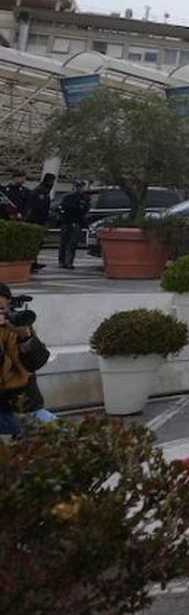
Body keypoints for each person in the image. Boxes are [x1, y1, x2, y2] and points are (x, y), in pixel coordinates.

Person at [0, 284, 53, 436]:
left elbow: (37, 362)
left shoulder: (15, 326)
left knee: (64, 435)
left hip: (22, 407)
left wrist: (25, 337)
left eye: (3, 309)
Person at [57, 180, 90, 269]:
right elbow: (65, 208)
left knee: (73, 243)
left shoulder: (85, 198)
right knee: (64, 242)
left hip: (77, 222)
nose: (79, 188)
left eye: (81, 187)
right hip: (67, 221)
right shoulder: (68, 197)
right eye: (78, 187)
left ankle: (69, 262)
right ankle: (61, 261)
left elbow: (84, 210)